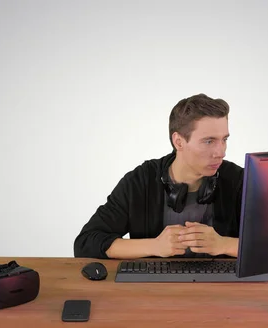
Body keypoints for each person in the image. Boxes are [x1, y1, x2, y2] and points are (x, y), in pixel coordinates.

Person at [73, 93, 244, 259]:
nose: (221, 152)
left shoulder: (239, 180)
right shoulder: (141, 181)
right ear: (178, 141)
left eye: (224, 140)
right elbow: (87, 242)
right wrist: (155, 246)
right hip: (154, 288)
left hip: (221, 287)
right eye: (209, 141)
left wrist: (223, 244)